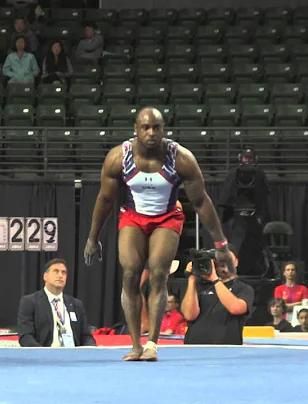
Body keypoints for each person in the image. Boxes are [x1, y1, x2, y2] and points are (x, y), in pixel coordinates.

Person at [84, 107, 235, 361]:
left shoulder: (181, 158)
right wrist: (92, 237)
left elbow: (201, 202)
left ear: (163, 129)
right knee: (131, 273)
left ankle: (152, 342)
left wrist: (221, 243)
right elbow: (105, 199)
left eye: (157, 127)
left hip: (167, 219)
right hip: (133, 217)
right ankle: (135, 344)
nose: (151, 133)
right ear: (136, 129)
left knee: (158, 273)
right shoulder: (118, 158)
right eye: (145, 127)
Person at [17, 258, 96, 347]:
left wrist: (89, 349)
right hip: (46, 356)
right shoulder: (30, 302)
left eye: (63, 272)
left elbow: (87, 336)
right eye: (56, 271)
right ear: (45, 276)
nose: (60, 276)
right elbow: (26, 336)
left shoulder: (76, 304)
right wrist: (43, 354)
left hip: (73, 356)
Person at [181, 249, 255, 345]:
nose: (224, 262)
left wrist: (215, 280)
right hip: (194, 347)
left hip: (225, 350)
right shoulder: (197, 287)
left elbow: (236, 308)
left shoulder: (244, 288)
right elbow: (189, 315)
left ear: (236, 262)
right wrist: (191, 279)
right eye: (220, 259)